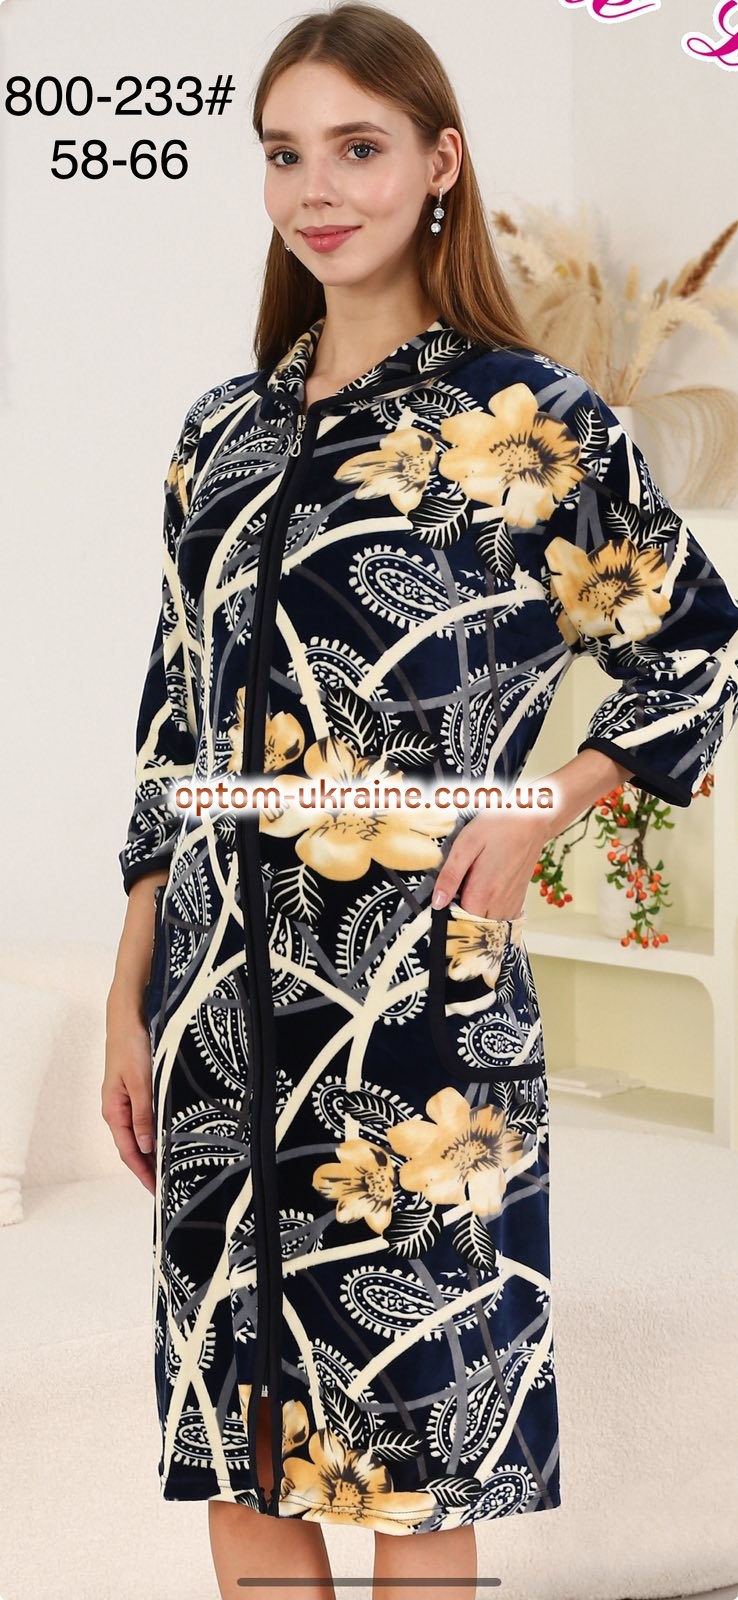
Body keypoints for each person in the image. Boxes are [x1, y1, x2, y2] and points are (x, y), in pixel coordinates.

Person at [103, 4, 738, 1597]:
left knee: (409, 1471)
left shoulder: (529, 420)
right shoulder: (217, 436)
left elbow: (694, 652)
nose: (316, 190)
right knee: (241, 1456)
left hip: (415, 1010)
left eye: (357, 148)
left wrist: (537, 806)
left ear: (439, 162)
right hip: (213, 1011)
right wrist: (129, 996)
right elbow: (171, 728)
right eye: (284, 155)